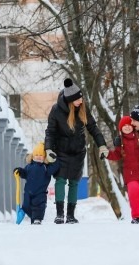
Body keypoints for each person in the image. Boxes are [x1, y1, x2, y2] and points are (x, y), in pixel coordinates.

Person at [45, 78, 108, 224]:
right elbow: (50, 132)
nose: (81, 100)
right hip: (60, 151)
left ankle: (71, 215)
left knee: (74, 182)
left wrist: (102, 145)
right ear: (70, 100)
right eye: (78, 98)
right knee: (60, 180)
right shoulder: (56, 110)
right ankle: (60, 214)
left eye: (81, 97)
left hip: (78, 152)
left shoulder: (83, 110)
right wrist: (48, 149)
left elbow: (93, 128)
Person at [106, 116, 139, 224]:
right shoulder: (120, 141)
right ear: (121, 128)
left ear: (133, 126)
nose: (127, 127)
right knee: (134, 192)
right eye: (124, 126)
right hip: (130, 172)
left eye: (129, 125)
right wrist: (107, 153)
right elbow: (116, 155)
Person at [13, 142, 59, 225]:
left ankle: (37, 219)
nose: (38, 156)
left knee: (38, 207)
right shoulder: (29, 166)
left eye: (41, 155)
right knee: (26, 206)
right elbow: (24, 173)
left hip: (40, 193)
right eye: (36, 154)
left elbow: (54, 167)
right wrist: (19, 171)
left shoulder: (46, 167)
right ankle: (24, 213)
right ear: (33, 156)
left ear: (44, 157)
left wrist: (54, 159)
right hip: (28, 193)